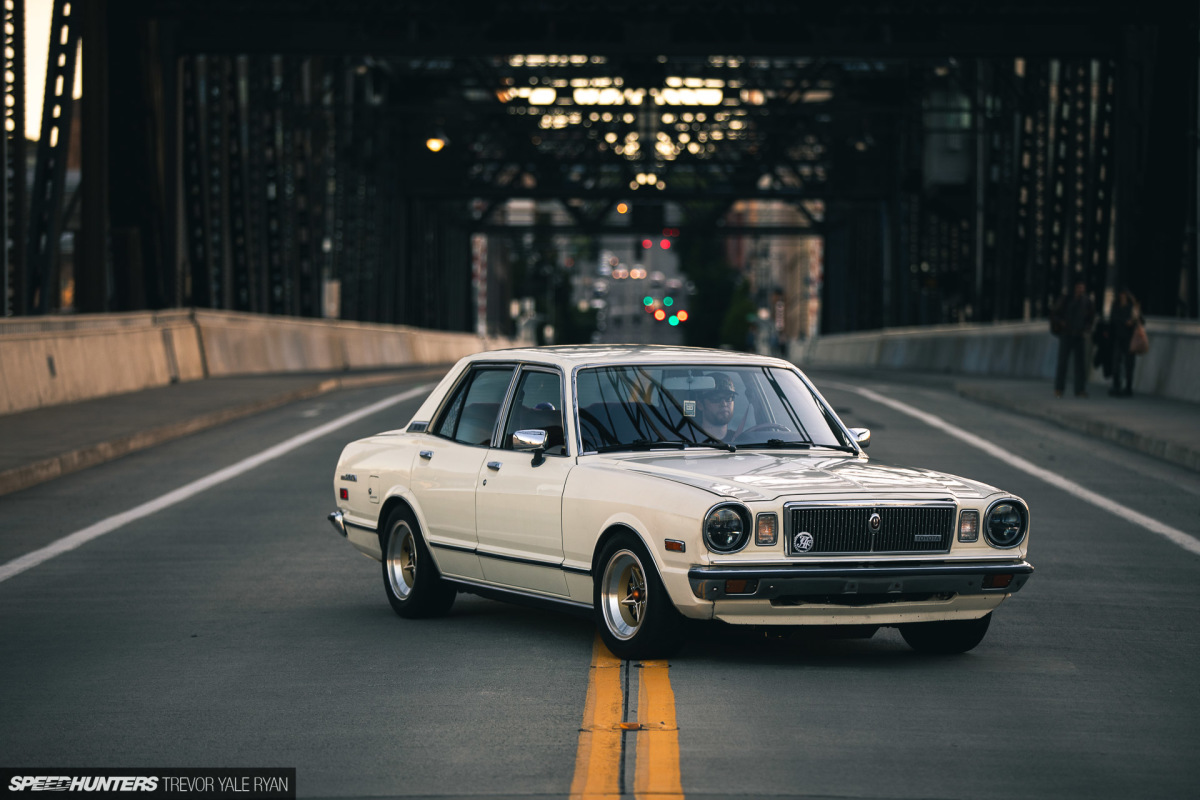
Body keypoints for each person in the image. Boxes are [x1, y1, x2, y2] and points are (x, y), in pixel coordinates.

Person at [1051, 279, 1095, 398]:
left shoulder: (1086, 301)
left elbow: (1091, 317)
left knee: (1080, 364)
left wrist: (1086, 328)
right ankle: (1059, 389)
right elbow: (1055, 313)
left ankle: (1080, 389)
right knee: (1062, 363)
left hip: (1079, 335)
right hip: (1066, 334)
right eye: (1079, 287)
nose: (1081, 290)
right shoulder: (1066, 299)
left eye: (1082, 287)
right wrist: (1062, 323)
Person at [1108, 287, 1141, 397]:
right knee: (1116, 362)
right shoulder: (1116, 306)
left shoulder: (1132, 307)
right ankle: (1116, 385)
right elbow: (1112, 319)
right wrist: (1124, 322)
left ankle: (1128, 387)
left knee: (1129, 363)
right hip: (1118, 337)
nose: (1123, 297)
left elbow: (1139, 319)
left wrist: (1132, 321)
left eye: (1125, 295)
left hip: (1129, 338)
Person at [695, 373, 738, 440]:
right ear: (700, 405)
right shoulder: (688, 441)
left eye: (729, 398)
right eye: (715, 398)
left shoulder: (742, 440)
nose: (724, 404)